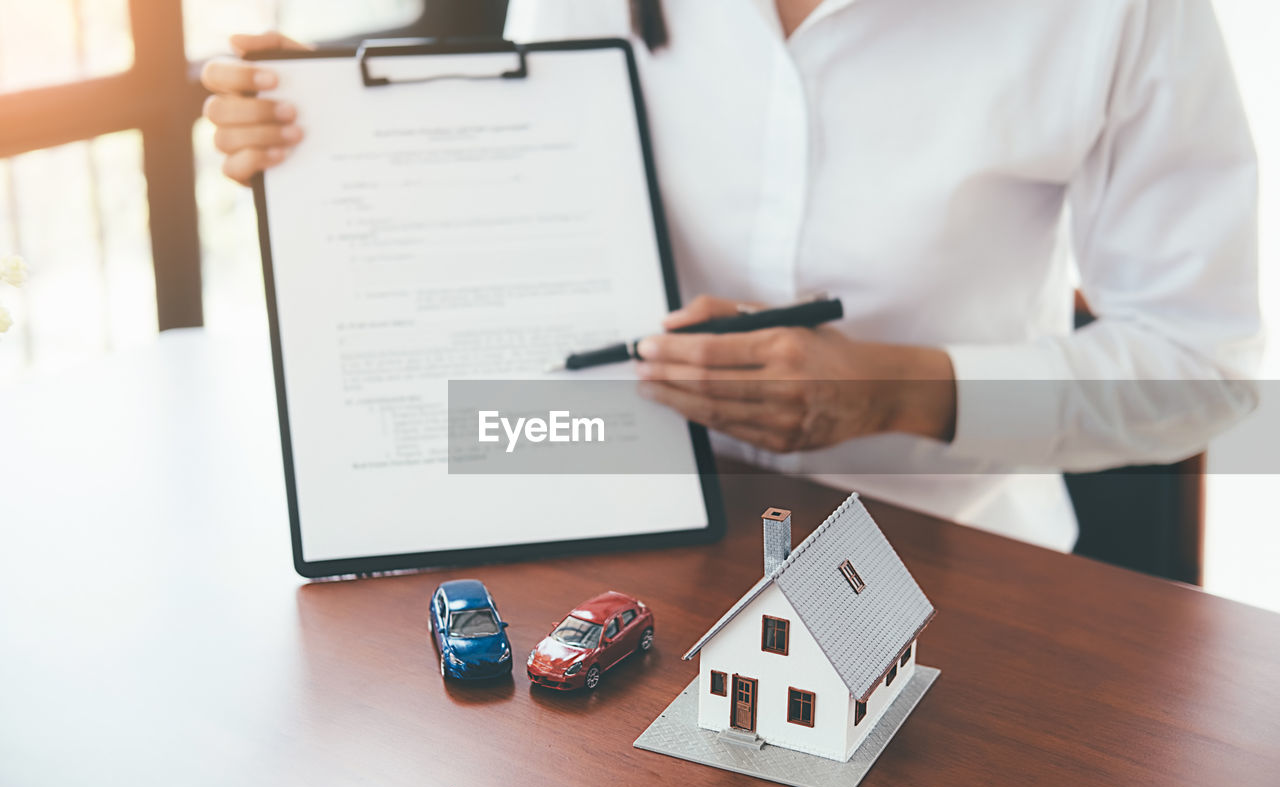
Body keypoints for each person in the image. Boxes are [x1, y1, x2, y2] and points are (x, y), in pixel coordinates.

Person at [200, 0, 1261, 550]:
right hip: (629, 544)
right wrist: (333, 146)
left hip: (954, 569)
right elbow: (529, 246)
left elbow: (1201, 363)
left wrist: (896, 388)